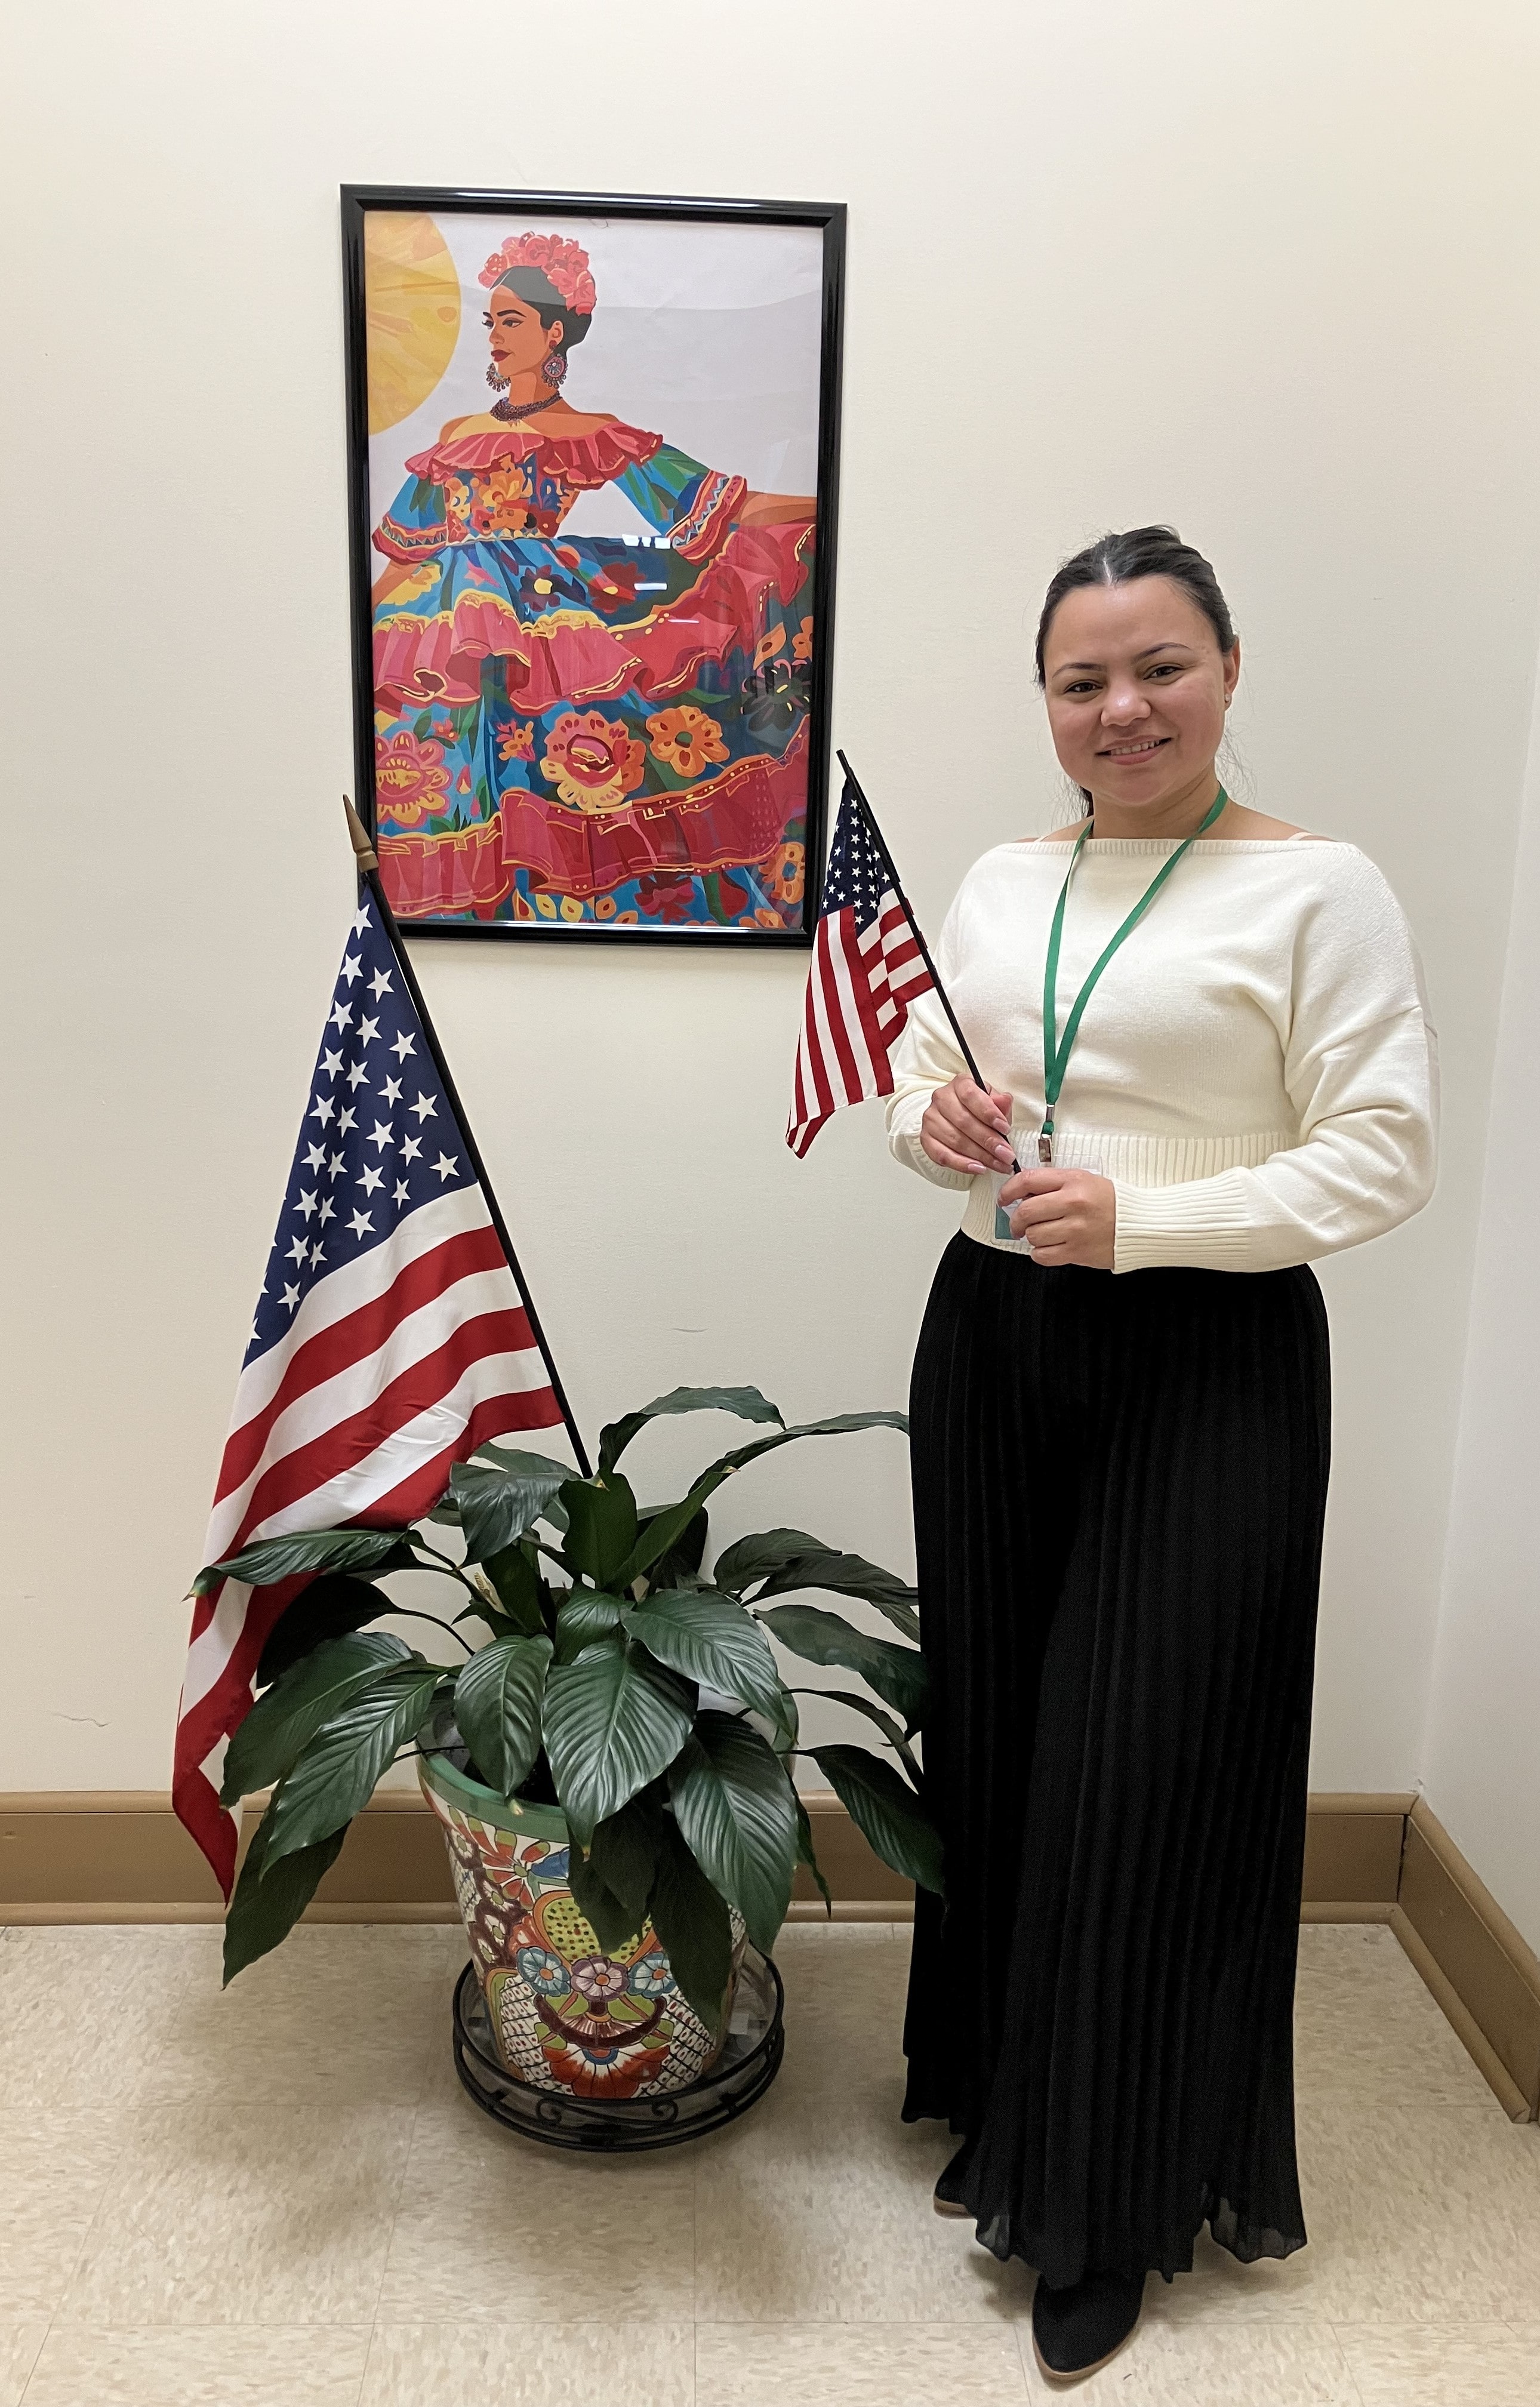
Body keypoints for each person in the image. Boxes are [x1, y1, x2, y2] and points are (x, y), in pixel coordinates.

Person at [886, 527, 1438, 2383]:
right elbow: (917, 1095)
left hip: (1205, 1359)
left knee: (1143, 1760)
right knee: (1005, 1732)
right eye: (1078, 679)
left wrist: (1145, 1221)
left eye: (1157, 667)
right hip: (991, 1340)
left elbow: (1377, 1154)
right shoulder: (993, 876)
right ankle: (1000, 2087)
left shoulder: (1316, 889)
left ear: (1223, 670)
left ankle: (1108, 2199)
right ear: (1040, 701)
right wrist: (934, 1118)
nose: (1119, 708)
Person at [370, 230, 815, 928]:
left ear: (555, 332)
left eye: (512, 320)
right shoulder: (457, 433)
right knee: (443, 780)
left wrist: (827, 505)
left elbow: (715, 507)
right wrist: (356, 634)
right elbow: (405, 557)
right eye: (491, 321)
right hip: (442, 632)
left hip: (535, 619)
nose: (495, 336)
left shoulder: (588, 431)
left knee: (549, 772)